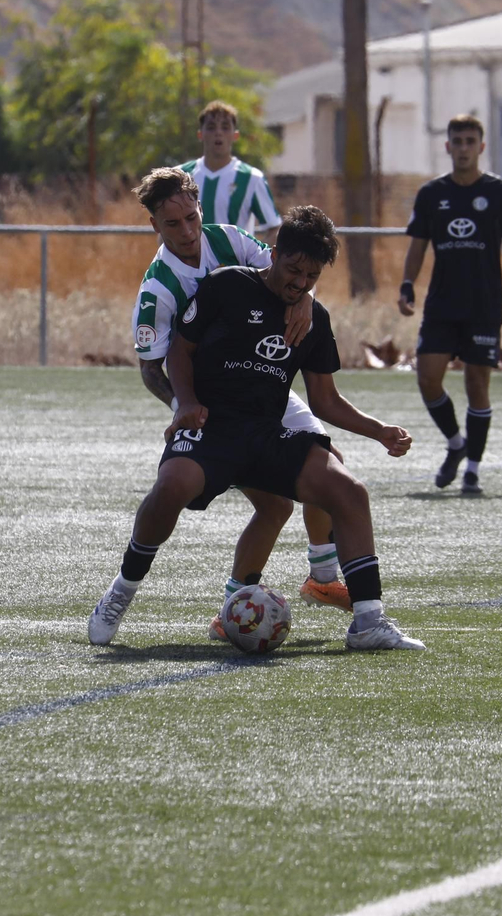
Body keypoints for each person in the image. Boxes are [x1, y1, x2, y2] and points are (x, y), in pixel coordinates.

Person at [93, 204, 424, 652]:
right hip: (212, 426)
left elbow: (325, 399)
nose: (300, 283)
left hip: (267, 433)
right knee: (172, 486)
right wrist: (185, 403)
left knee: (349, 490)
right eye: (293, 270)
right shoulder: (227, 284)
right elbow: (179, 353)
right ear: (275, 254)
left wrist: (379, 429)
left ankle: (368, 622)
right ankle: (122, 590)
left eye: (311, 277)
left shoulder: (313, 318)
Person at [129, 168, 351, 638]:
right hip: (208, 401)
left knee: (327, 460)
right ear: (154, 226)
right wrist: (185, 406)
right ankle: (217, 599)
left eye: (191, 218)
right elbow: (152, 368)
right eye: (173, 225)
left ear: (200, 210)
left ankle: (322, 577)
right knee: (267, 505)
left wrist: (307, 297)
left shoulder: (230, 239)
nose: (187, 232)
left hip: (263, 381)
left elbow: (289, 266)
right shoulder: (157, 289)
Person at [398, 114, 502, 495]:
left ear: (481, 147)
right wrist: (407, 284)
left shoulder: (501, 193)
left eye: (470, 141)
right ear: (447, 147)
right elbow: (417, 246)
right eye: (457, 141)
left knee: (477, 382)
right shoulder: (431, 194)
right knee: (427, 377)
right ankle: (456, 443)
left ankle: (472, 468)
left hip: (484, 305)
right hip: (442, 304)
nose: (463, 148)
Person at [179, 100, 282, 241]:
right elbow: (165, 228)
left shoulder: (251, 178)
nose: (218, 133)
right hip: (190, 264)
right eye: (211, 127)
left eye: (225, 127)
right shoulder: (180, 176)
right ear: (200, 134)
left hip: (235, 263)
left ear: (235, 135)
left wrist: (256, 260)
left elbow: (274, 228)